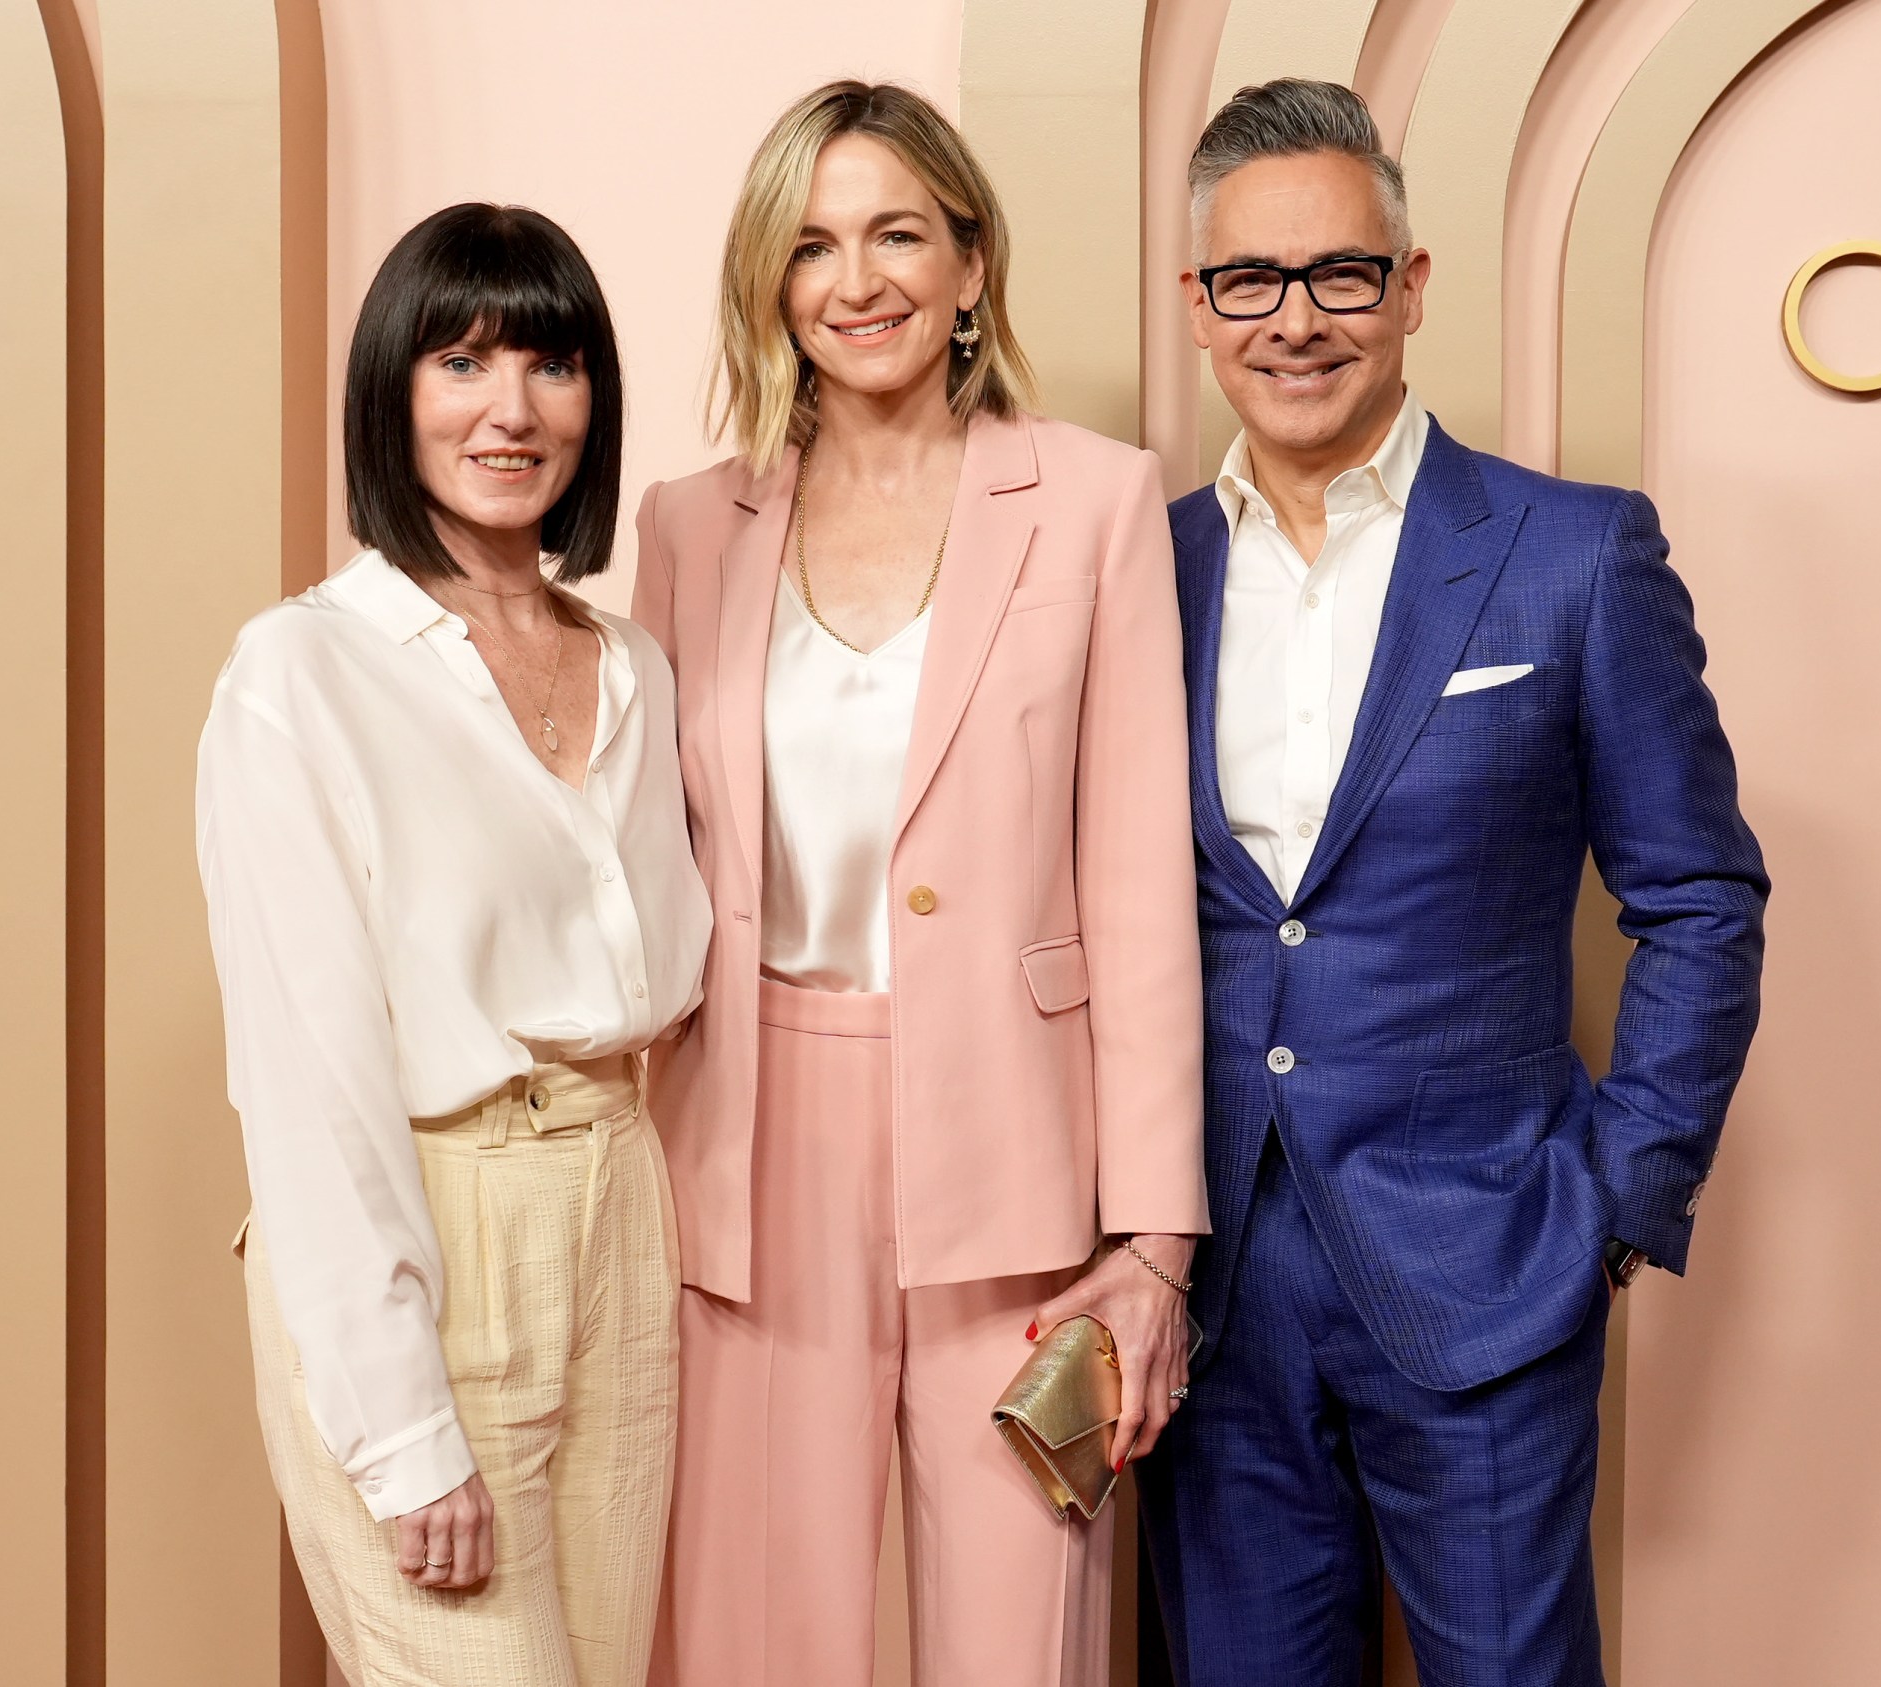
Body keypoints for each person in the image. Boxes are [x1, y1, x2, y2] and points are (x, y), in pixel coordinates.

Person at [1138, 80, 1769, 1687]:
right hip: (1206, 1289)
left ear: (1411, 290)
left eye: (1341, 274)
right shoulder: (1136, 575)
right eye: (1251, 282)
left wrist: (1618, 1196)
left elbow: (1699, 893)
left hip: (1491, 1257)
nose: (1297, 320)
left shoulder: (1576, 556)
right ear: (1197, 304)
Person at [629, 80, 1205, 1687]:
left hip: (1021, 1162)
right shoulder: (686, 525)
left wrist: (1155, 1243)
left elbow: (1143, 889)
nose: (856, 280)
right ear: (769, 283)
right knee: (752, 1636)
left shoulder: (1094, 500)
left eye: (897, 233)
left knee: (1020, 1639)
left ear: (968, 263)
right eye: (810, 247)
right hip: (743, 1149)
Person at [198, 203, 710, 1687]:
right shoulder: (302, 672)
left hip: (621, 1215)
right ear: (392, 394)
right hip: (433, 1218)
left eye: (551, 365)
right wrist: (398, 1425)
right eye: (462, 362)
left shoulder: (634, 669)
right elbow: (308, 1082)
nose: (512, 408)